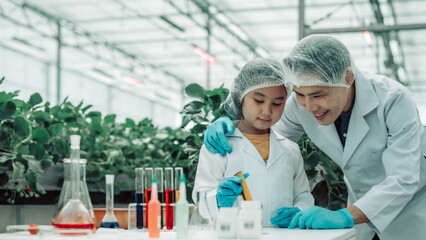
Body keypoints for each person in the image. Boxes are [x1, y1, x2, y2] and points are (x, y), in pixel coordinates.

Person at [203, 35, 426, 240]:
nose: (309, 106)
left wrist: (344, 216)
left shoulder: (393, 100)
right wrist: (233, 128)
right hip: (360, 216)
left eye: (318, 95)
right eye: (300, 94)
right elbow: (270, 140)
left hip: (411, 209)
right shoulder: (299, 106)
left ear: (347, 77)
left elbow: (403, 179)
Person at [192, 57, 314, 227]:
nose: (267, 111)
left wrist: (299, 209)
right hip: (234, 235)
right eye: (258, 100)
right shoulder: (219, 145)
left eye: (277, 103)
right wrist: (218, 198)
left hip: (282, 236)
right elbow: (201, 200)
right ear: (240, 97)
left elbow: (303, 195)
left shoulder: (291, 149)